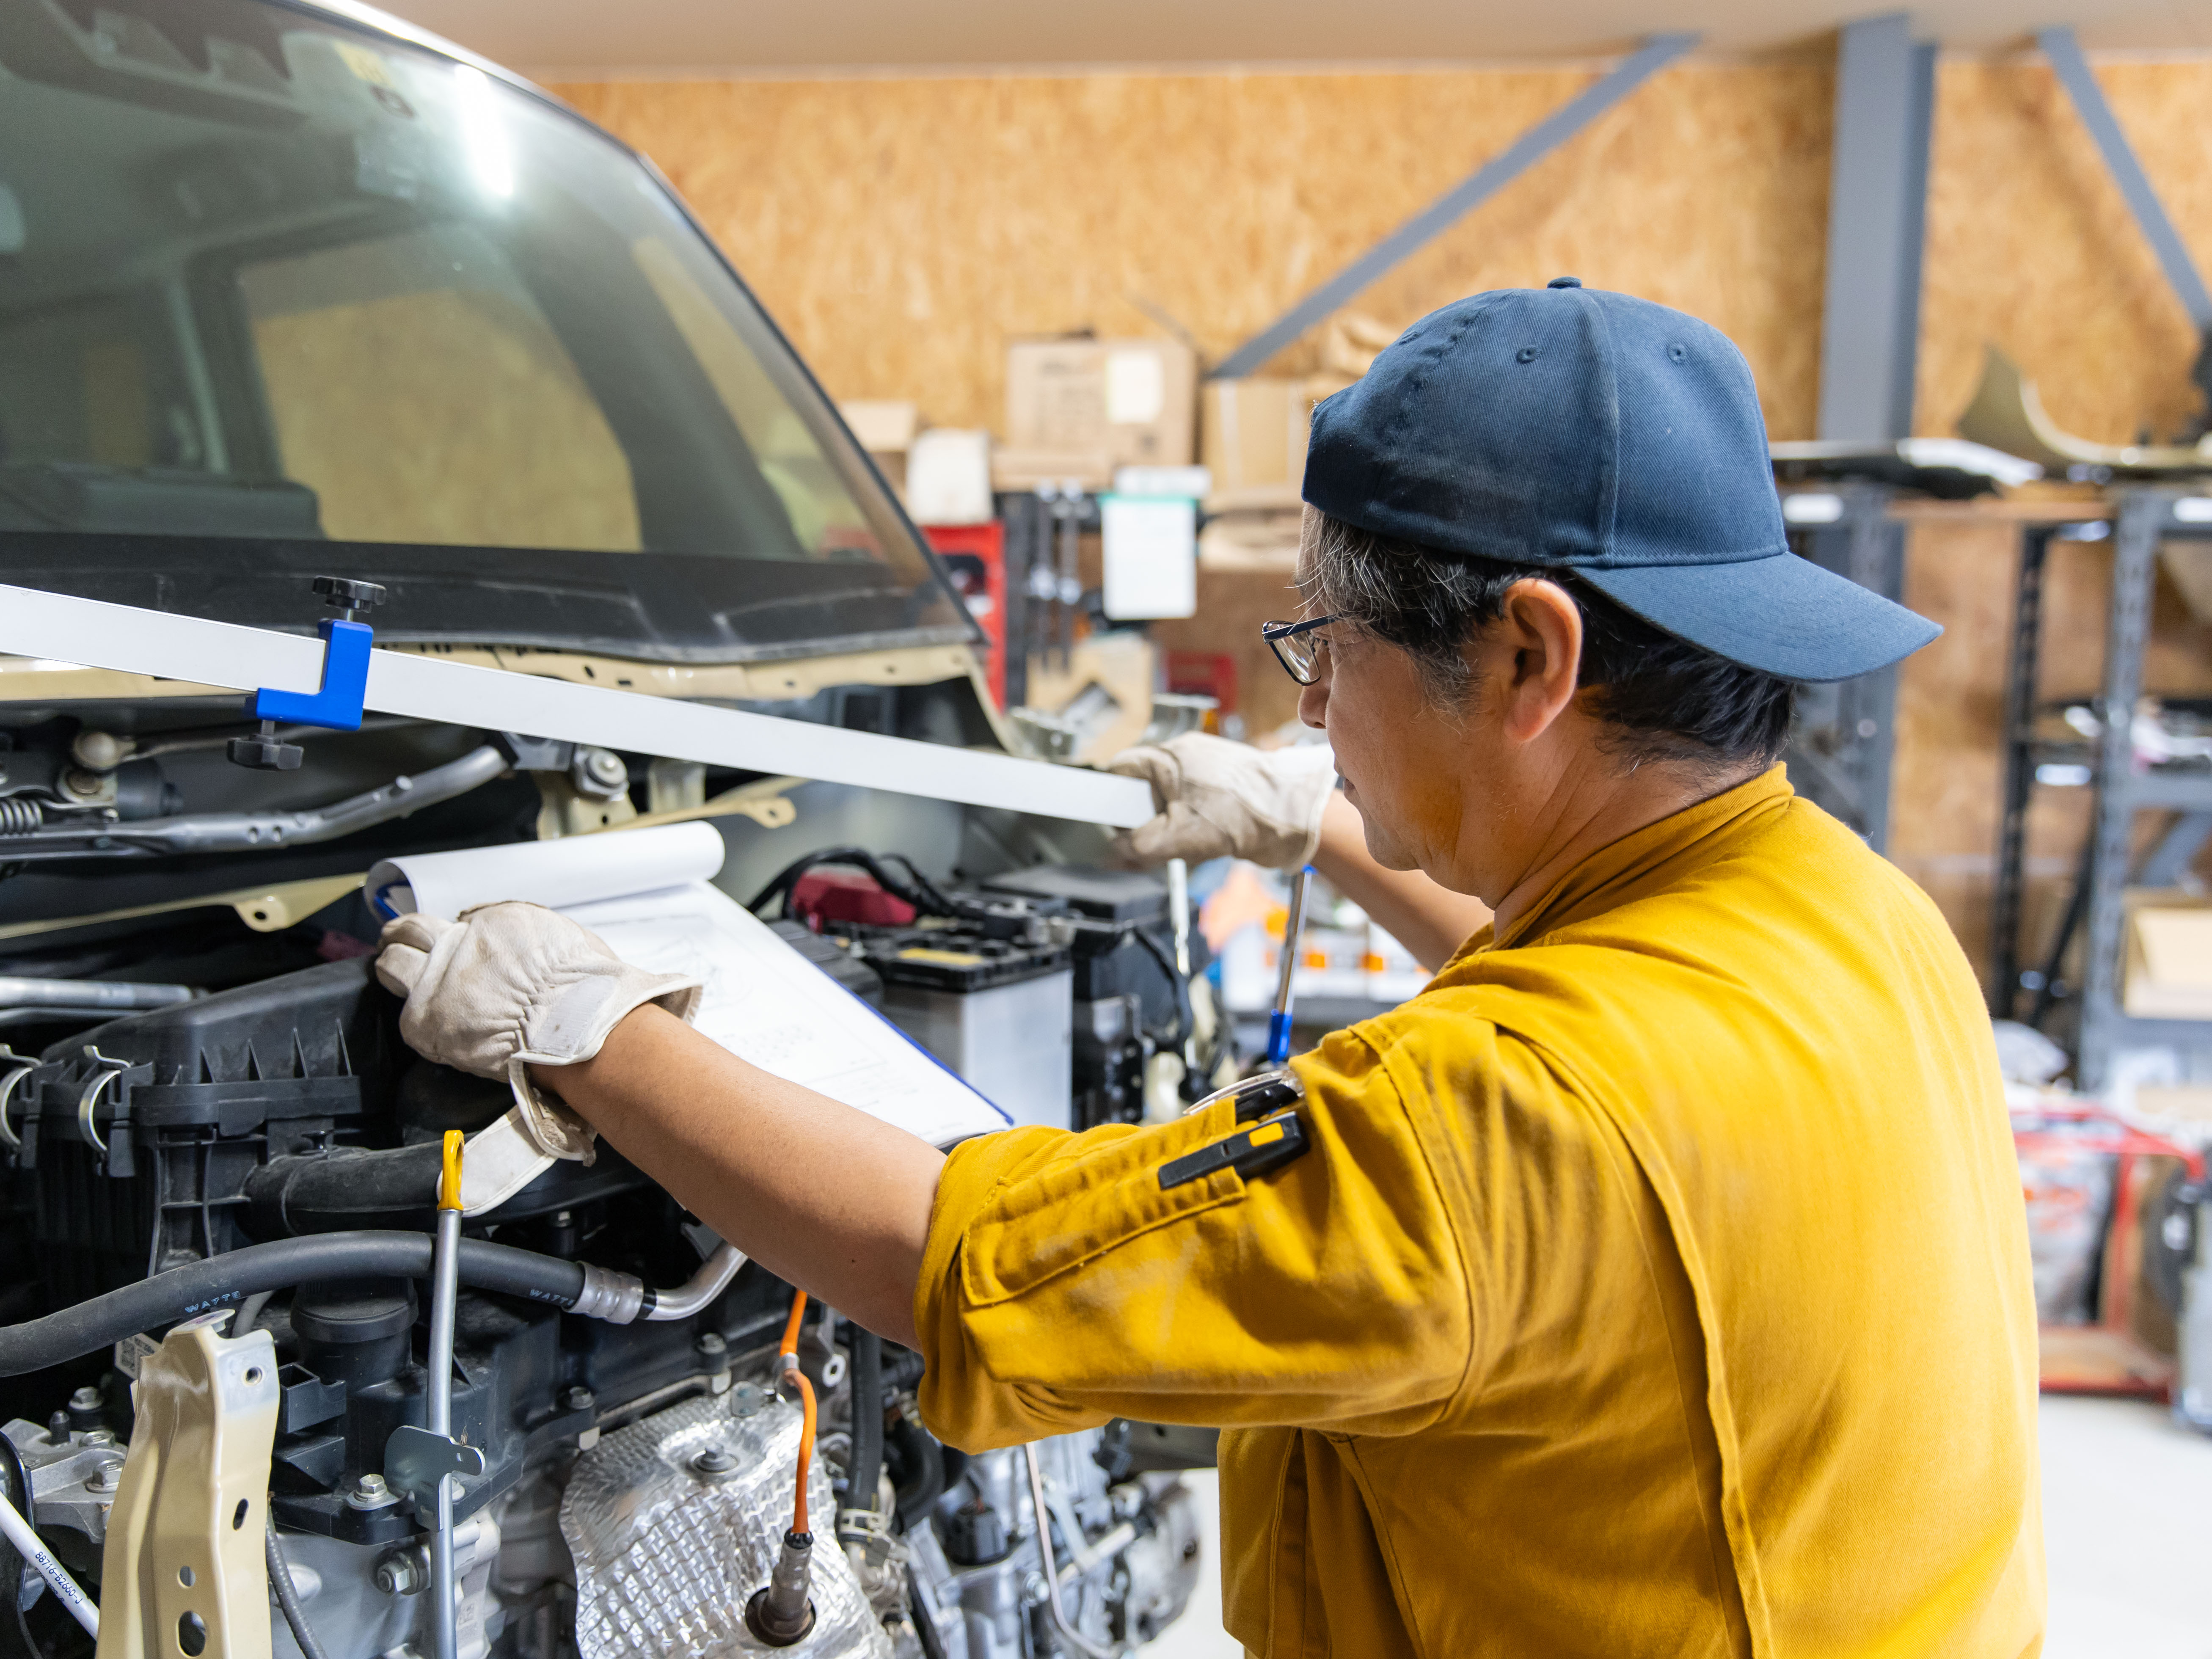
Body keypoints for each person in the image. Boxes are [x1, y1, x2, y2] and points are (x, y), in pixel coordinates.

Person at [376, 281, 2043, 1656]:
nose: (1307, 706)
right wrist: (1314, 830)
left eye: (1324, 644)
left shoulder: (1485, 1121)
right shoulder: (1842, 906)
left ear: (1529, 654)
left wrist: (587, 1030)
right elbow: (1602, 1042)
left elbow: (962, 1260)